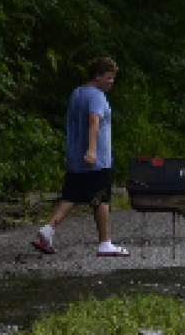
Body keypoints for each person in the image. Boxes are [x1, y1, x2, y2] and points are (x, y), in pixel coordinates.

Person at [32, 57, 130, 257]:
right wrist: (92, 150)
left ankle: (48, 229)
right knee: (102, 199)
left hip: (76, 157)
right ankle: (105, 243)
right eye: (108, 77)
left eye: (113, 78)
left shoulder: (76, 94)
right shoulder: (97, 96)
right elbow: (94, 120)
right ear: (97, 76)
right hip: (96, 159)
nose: (111, 81)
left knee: (71, 196)